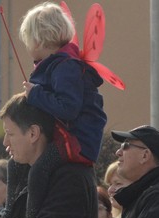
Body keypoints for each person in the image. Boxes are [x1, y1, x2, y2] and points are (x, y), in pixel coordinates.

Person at [19, 2, 107, 164]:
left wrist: (36, 94)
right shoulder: (58, 64)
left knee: (40, 168)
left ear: (38, 41)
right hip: (65, 140)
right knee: (17, 163)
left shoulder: (65, 67)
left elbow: (68, 108)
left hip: (76, 143)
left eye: (27, 41)